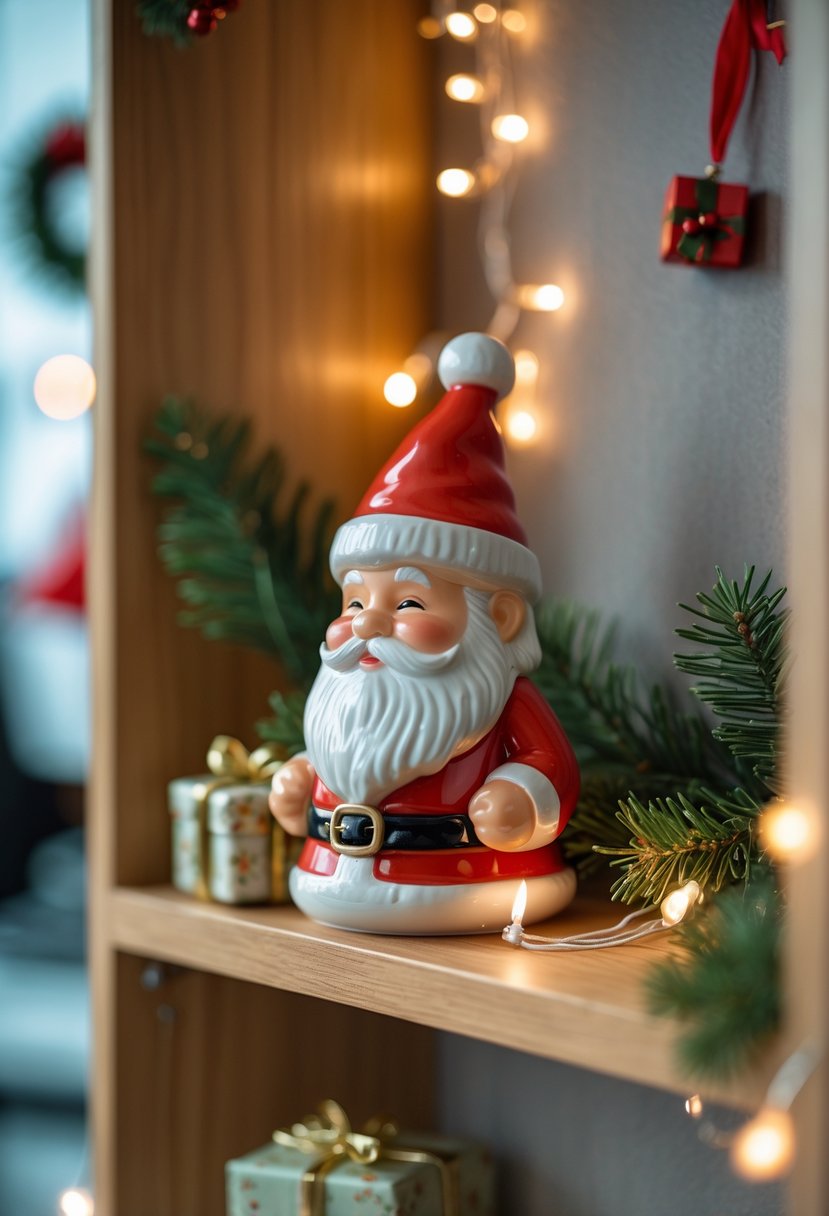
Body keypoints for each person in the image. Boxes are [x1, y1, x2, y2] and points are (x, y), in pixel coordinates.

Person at [269, 333, 579, 934]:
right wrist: (304, 774)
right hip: (327, 868)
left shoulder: (501, 700)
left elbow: (551, 764)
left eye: (408, 600)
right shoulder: (350, 691)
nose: (366, 622)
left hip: (471, 878)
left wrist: (522, 797)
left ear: (502, 618)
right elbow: (344, 748)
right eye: (355, 599)